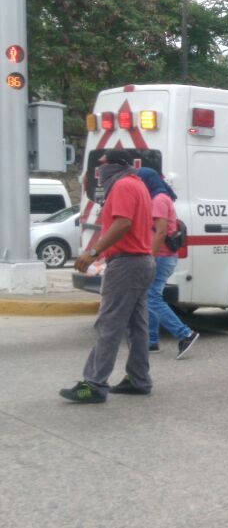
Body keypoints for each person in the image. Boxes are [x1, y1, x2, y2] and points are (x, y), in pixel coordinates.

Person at [62, 150, 157, 403]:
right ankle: (139, 379)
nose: (99, 172)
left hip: (127, 263)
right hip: (141, 262)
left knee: (109, 324)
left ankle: (94, 384)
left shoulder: (124, 186)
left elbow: (123, 223)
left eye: (103, 166)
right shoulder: (137, 185)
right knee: (137, 326)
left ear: (117, 166)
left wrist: (94, 252)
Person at [137, 167, 200, 358]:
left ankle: (185, 334)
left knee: (152, 297)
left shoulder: (158, 200)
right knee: (151, 296)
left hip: (161, 256)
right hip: (164, 256)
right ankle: (151, 341)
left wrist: (150, 256)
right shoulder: (162, 198)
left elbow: (161, 231)